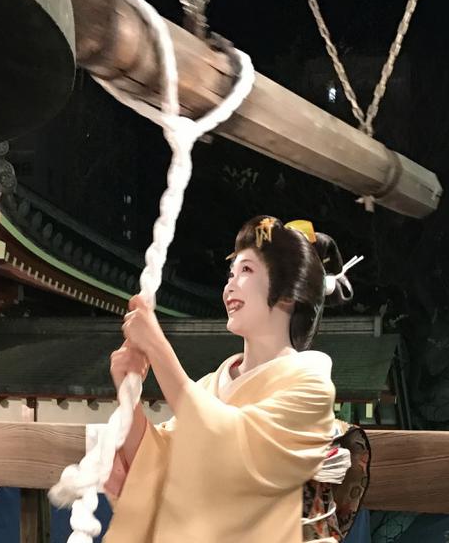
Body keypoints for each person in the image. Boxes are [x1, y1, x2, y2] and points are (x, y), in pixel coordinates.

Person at [104, 216, 355, 542]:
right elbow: (158, 462)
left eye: (247, 271)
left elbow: (232, 452)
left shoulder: (310, 386)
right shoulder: (211, 385)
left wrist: (158, 348)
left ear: (288, 294)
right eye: (231, 273)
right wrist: (128, 393)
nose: (230, 285)